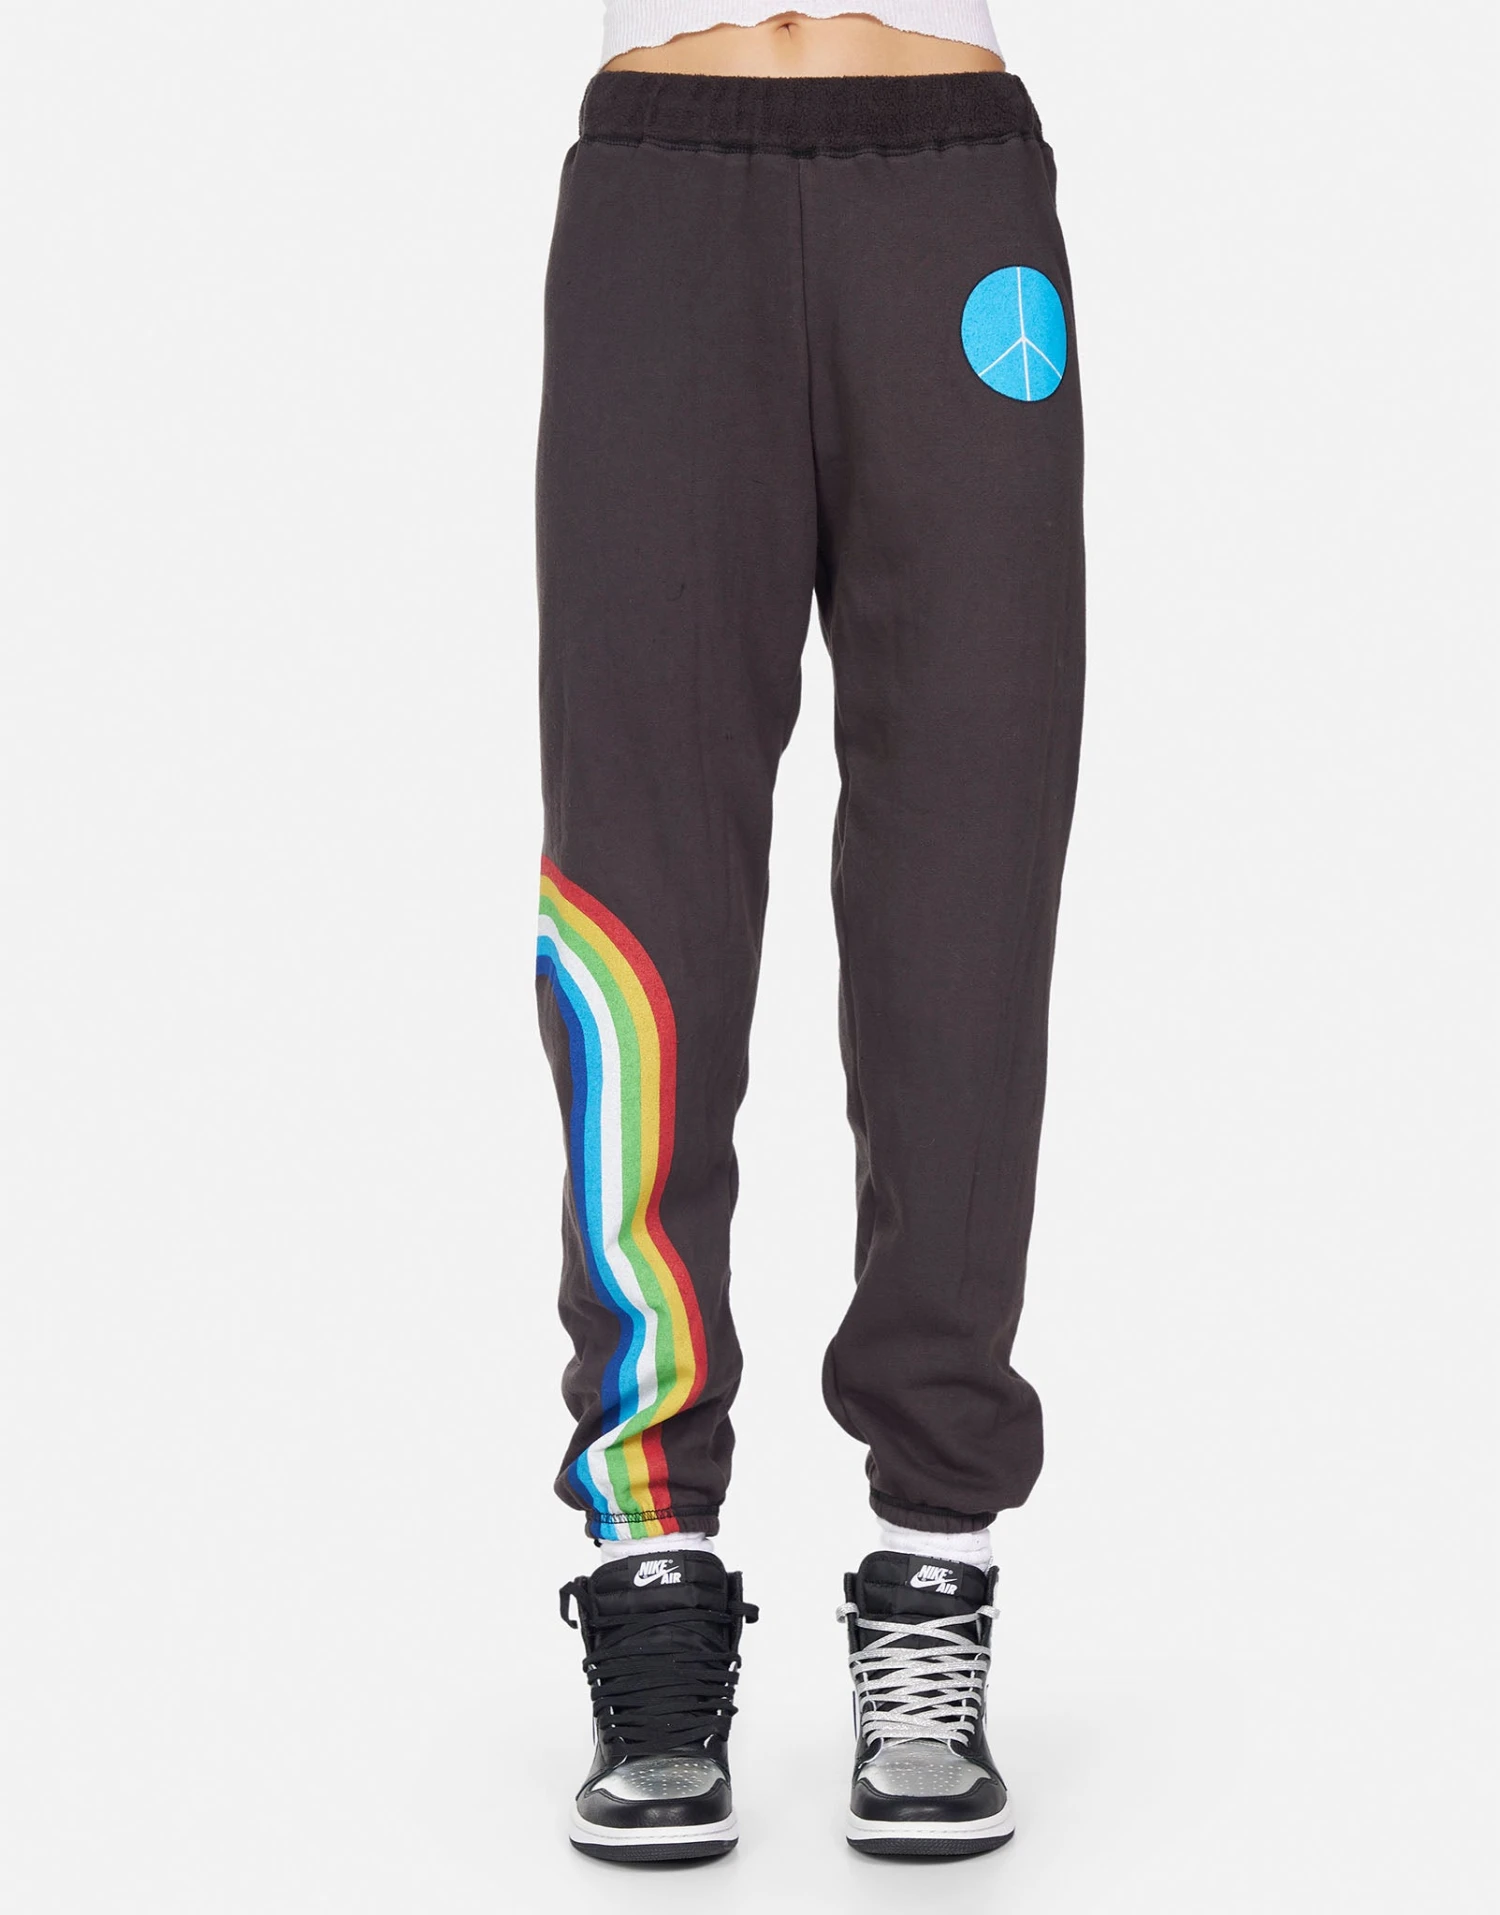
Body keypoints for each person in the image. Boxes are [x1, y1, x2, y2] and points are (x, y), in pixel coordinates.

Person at [537, 4, 1083, 1863]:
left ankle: (935, 1558)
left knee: (969, 881)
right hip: (659, 199)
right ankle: (653, 1561)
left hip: (956, 194)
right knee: (639, 882)